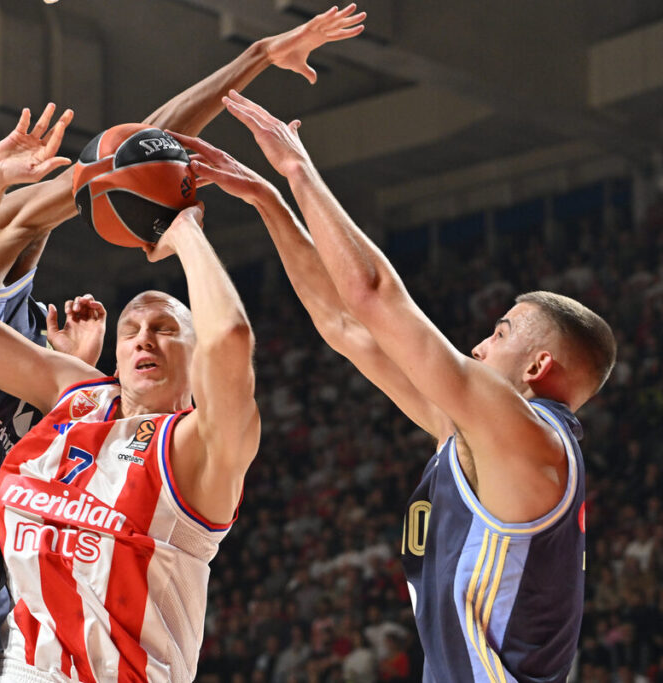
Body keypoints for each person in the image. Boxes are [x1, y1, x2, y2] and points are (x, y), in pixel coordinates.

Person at [0, 5, 367, 680]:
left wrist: (80, 368)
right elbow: (136, 157)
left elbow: (130, 161)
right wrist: (256, 58)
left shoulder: (25, 320)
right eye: (2, 199)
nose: (30, 192)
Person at [174, 90, 616, 683]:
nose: (480, 345)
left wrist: (297, 168)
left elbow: (373, 294)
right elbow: (346, 326)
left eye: (500, 331)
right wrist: (270, 202)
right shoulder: (478, 438)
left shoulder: (530, 440)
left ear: (537, 367)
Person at [0, 104, 259, 682]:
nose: (144, 336)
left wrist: (186, 234)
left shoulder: (201, 450)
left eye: (168, 328)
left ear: (198, 363)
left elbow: (232, 338)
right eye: (131, 328)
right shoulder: (76, 396)